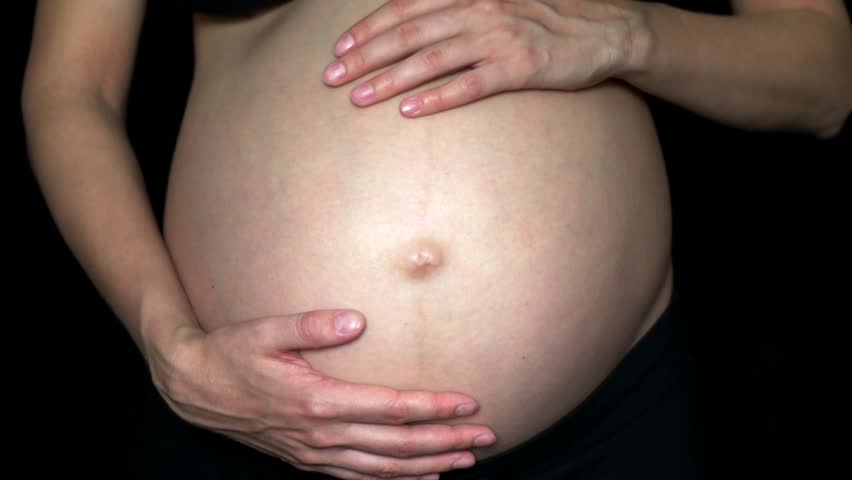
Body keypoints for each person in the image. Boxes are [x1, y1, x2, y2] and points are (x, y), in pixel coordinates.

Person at [21, 1, 850, 479]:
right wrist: (173, 349)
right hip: (249, 424)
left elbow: (822, 77)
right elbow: (72, 89)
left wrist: (624, 35)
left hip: (600, 432)